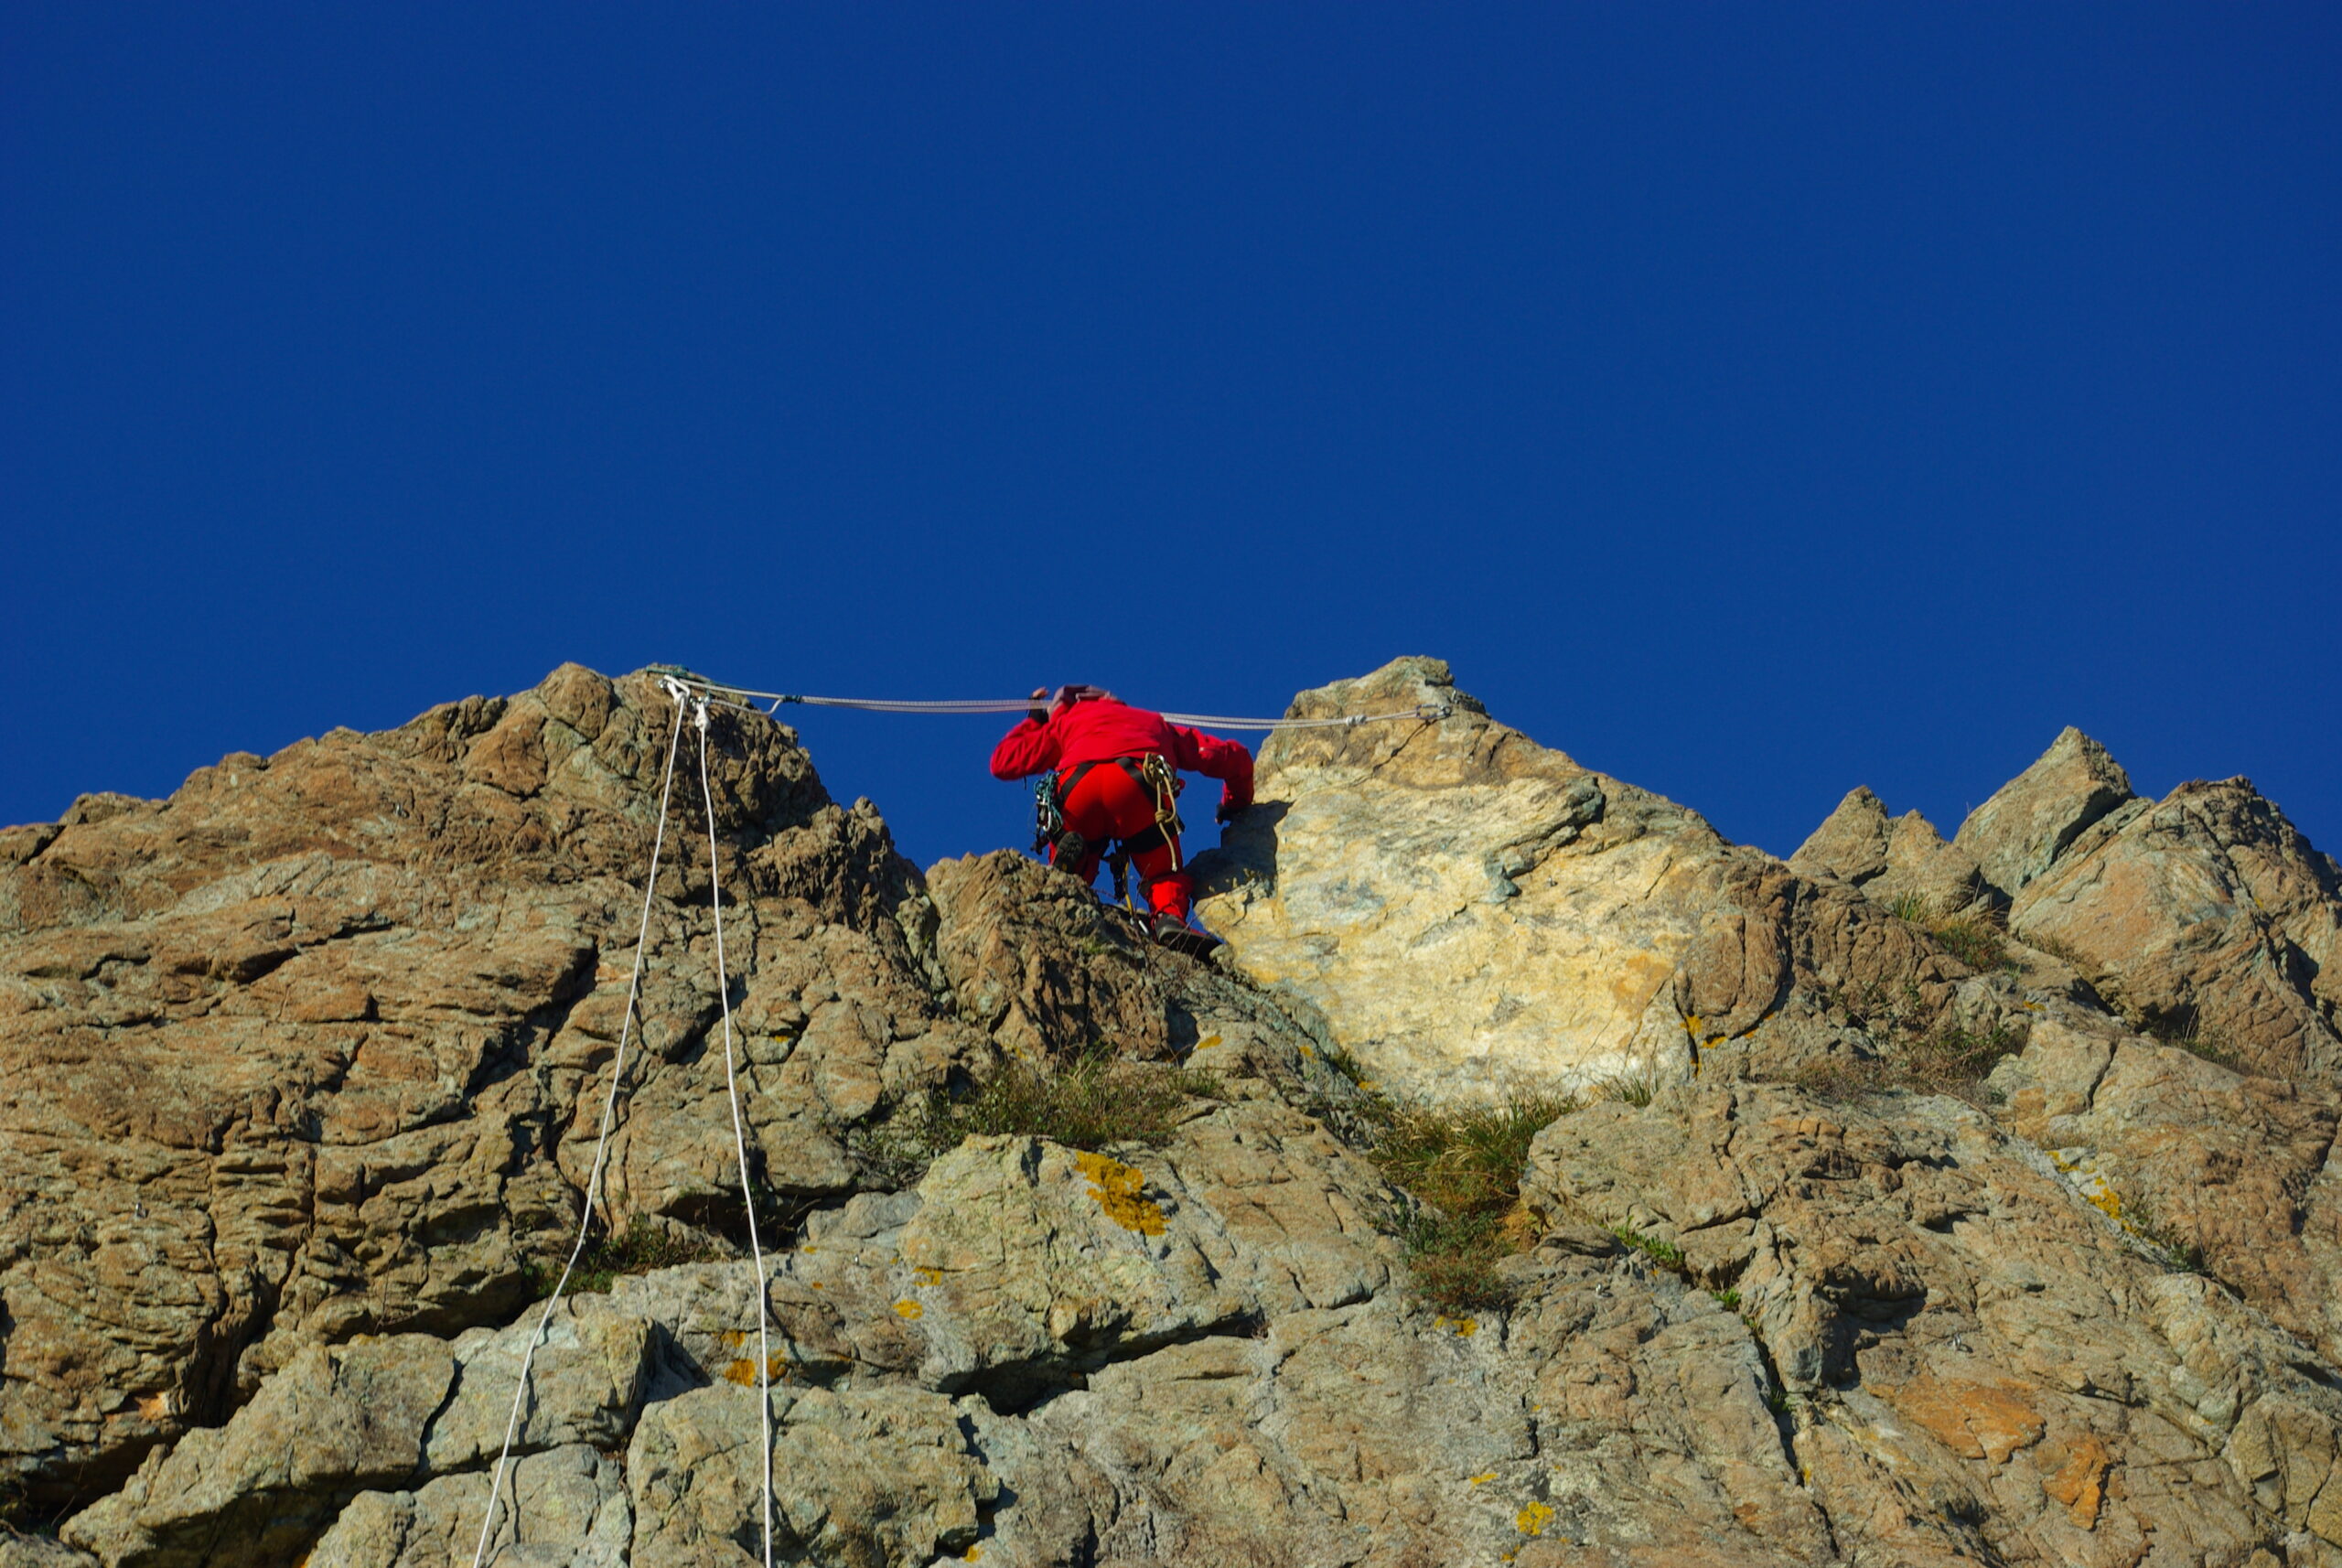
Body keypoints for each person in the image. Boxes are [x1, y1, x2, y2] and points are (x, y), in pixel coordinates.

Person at [990, 683, 1253, 949]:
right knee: (1162, 871)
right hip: (1138, 786)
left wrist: (1035, 720)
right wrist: (1235, 802)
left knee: (1078, 842)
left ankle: (1067, 881)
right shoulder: (1152, 722)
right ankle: (1168, 918)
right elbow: (1228, 756)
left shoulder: (1065, 723)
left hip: (1078, 788)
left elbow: (1003, 762)